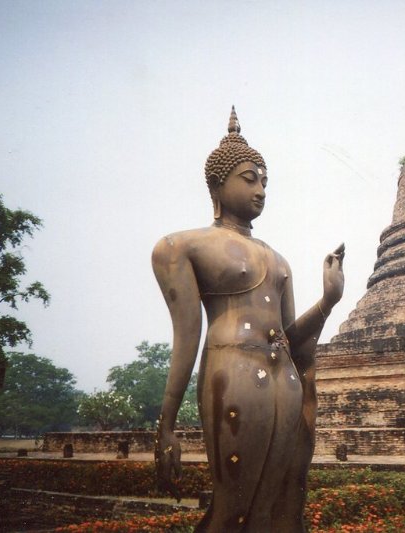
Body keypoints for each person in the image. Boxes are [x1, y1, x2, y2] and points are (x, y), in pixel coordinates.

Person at [152, 106, 344, 532]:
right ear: (217, 185)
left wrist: (328, 300)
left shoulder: (279, 259)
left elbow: (291, 339)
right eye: (249, 178)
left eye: (264, 182)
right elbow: (186, 337)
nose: (260, 190)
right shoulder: (182, 246)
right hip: (233, 374)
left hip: (284, 384)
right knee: (231, 509)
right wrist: (166, 425)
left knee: (270, 510)